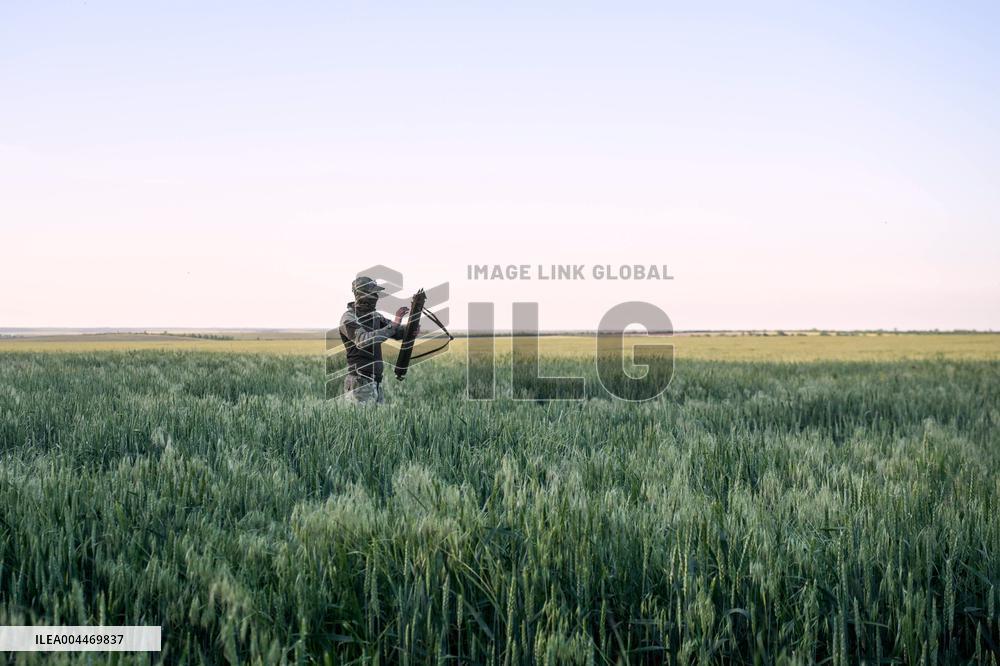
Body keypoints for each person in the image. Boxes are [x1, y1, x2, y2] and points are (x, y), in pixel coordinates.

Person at [338, 276, 416, 404]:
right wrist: (394, 325)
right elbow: (362, 340)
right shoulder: (348, 318)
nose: (376, 296)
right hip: (359, 384)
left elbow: (396, 331)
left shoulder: (375, 317)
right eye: (373, 293)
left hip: (376, 383)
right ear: (363, 294)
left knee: (378, 423)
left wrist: (411, 329)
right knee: (361, 423)